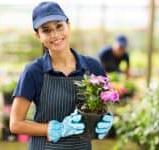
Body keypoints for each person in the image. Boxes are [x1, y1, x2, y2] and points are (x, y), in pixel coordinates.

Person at [9, 2, 113, 150]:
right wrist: (55, 129)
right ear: (38, 35)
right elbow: (15, 124)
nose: (55, 34)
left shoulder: (93, 67)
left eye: (59, 26)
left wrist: (105, 119)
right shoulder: (33, 71)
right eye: (46, 30)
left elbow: (103, 105)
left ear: (68, 26)